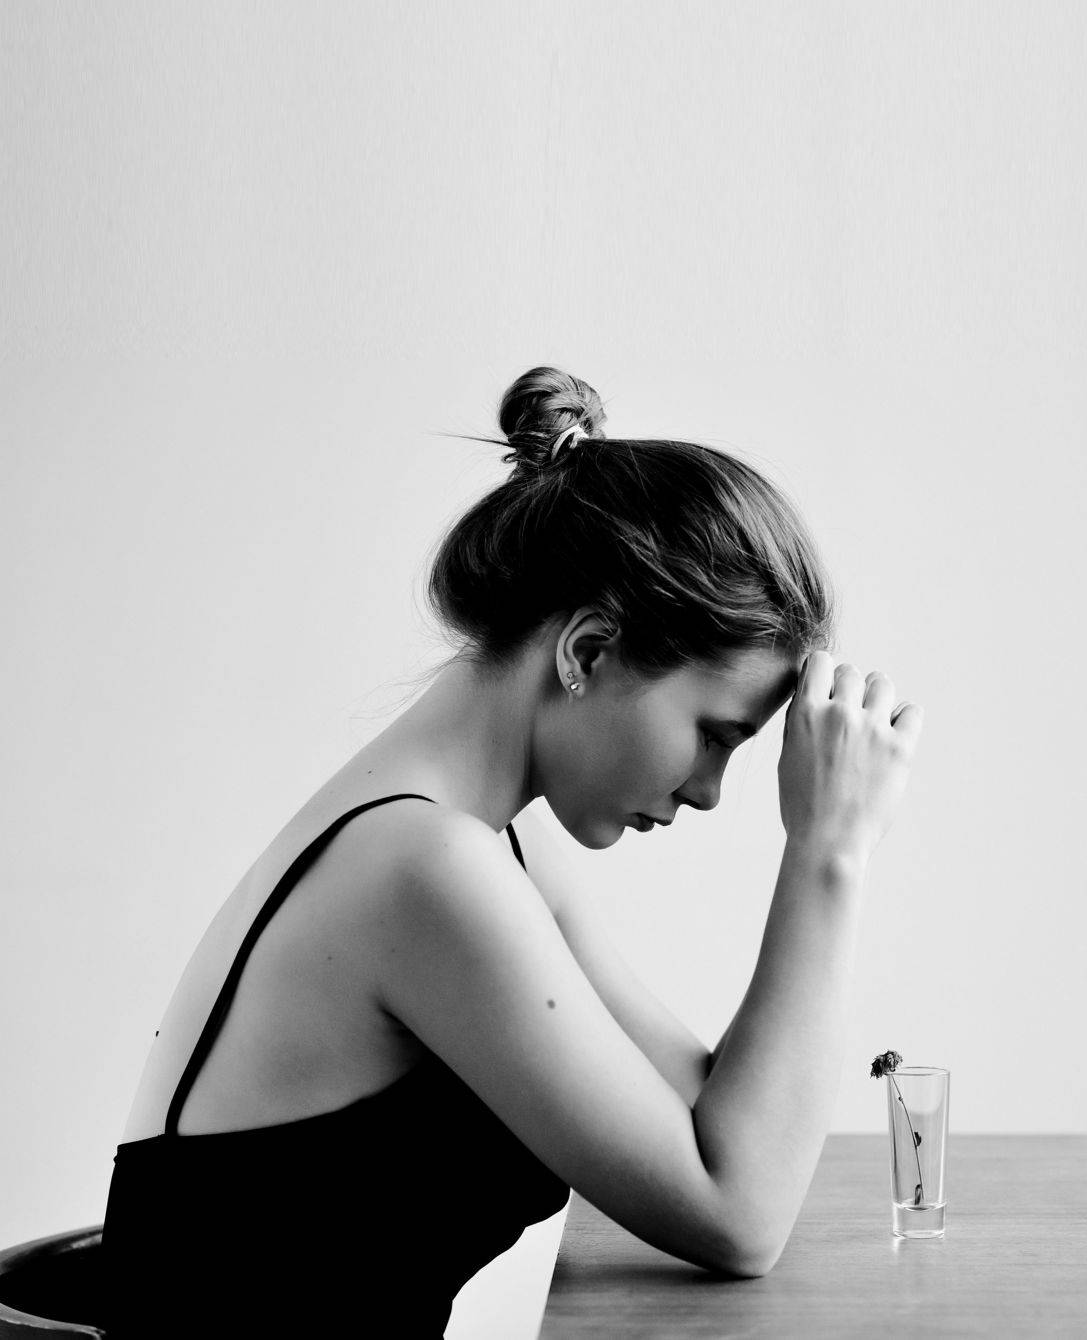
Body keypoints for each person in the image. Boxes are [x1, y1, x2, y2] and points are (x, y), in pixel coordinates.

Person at [99, 365, 923, 1337]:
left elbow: (722, 1122)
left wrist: (830, 846)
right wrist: (829, 851)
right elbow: (738, 1213)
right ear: (587, 652)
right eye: (715, 735)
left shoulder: (491, 848)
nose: (709, 792)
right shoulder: (422, 872)